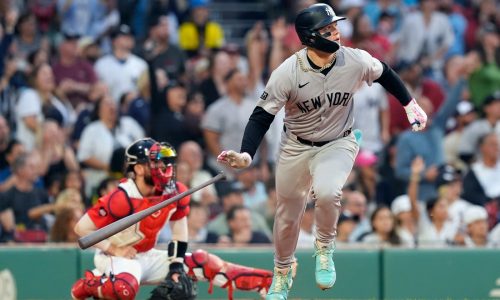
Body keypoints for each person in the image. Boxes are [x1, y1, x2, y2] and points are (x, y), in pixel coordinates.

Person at [216, 3, 427, 299]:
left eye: (335, 26)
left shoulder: (353, 59)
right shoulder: (288, 72)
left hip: (339, 141)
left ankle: (324, 248)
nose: (336, 32)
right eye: (327, 29)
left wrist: (410, 104)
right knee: (287, 216)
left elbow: (386, 73)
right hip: (296, 145)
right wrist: (247, 154)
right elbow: (261, 116)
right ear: (310, 37)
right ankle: (282, 272)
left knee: (328, 191)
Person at [70, 138, 273, 300]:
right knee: (124, 288)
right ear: (139, 169)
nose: (162, 166)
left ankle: (266, 284)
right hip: (117, 257)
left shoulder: (175, 191)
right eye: (154, 162)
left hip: (147, 255)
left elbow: (179, 232)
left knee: (201, 261)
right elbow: (82, 229)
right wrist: (115, 249)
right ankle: (91, 284)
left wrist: (176, 267)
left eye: (162, 160)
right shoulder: (122, 197)